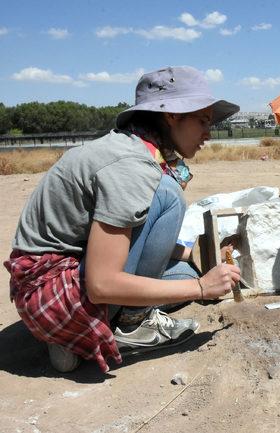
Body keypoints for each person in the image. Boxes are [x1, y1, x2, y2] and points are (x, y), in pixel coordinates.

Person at [4, 66, 242, 373]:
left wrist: (191, 257)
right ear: (172, 115)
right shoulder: (132, 166)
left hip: (54, 284)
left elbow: (123, 238)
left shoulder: (129, 147)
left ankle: (73, 338)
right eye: (202, 121)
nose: (208, 134)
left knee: (183, 272)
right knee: (169, 198)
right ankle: (126, 328)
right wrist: (200, 288)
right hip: (52, 294)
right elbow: (101, 284)